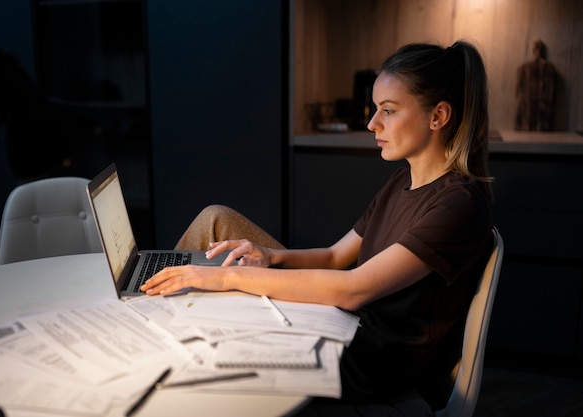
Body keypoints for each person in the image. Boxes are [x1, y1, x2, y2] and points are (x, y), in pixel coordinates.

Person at [142, 40, 494, 416]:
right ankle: (150, 322)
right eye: (376, 110)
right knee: (217, 220)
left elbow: (354, 289)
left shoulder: (458, 203)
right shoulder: (401, 181)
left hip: (367, 358)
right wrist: (272, 257)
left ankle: (156, 348)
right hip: (344, 322)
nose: (372, 123)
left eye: (388, 111)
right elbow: (334, 256)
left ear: (438, 116)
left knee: (222, 296)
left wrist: (225, 279)